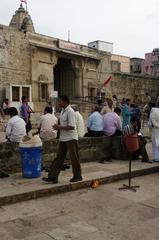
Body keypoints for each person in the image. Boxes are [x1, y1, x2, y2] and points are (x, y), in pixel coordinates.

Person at [43, 95, 82, 183]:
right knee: (59, 158)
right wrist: (57, 127)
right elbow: (64, 124)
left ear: (65, 102)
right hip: (63, 138)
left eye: (60, 101)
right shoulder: (63, 111)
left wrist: (59, 127)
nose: (59, 103)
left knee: (74, 158)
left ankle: (78, 176)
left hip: (71, 138)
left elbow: (72, 127)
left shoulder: (70, 111)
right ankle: (53, 177)